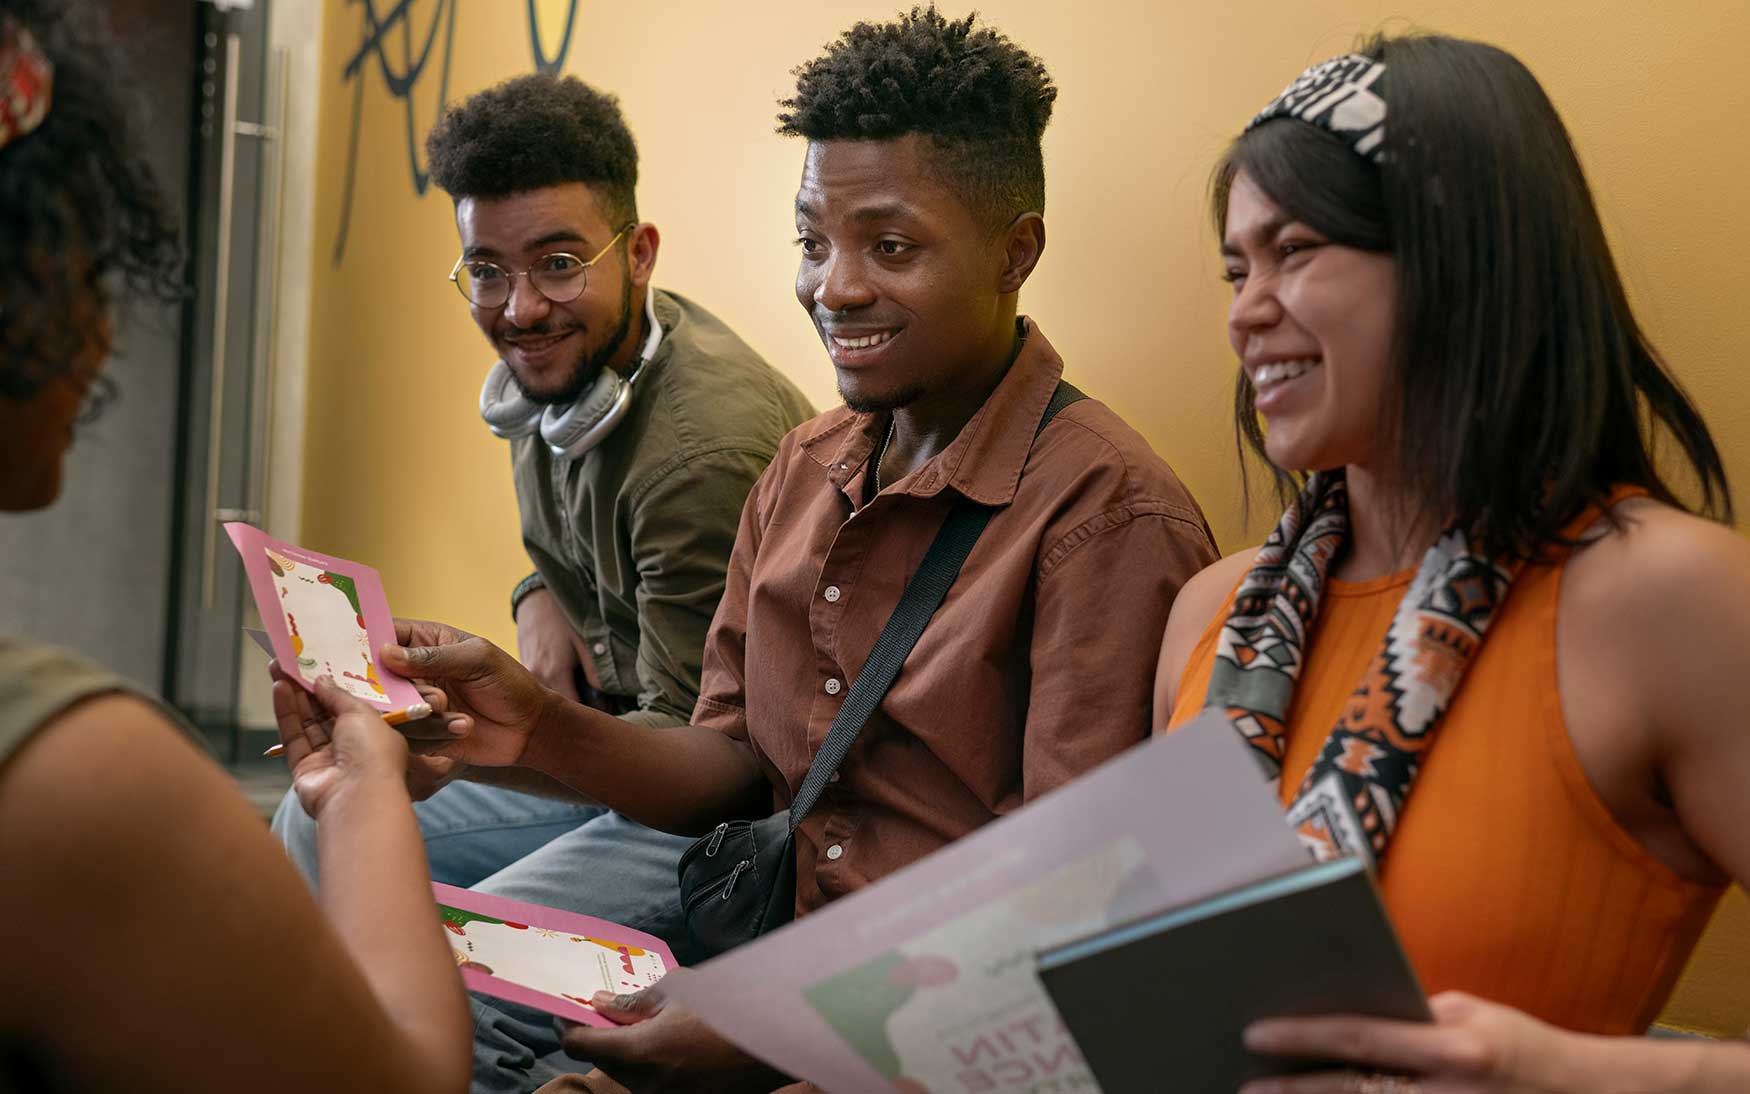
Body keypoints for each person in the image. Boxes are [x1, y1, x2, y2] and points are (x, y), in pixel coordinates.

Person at [379, 7, 1218, 1091]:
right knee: (434, 988)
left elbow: (1071, 917)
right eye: (813, 242)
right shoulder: (803, 468)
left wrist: (757, 1038)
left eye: (892, 246)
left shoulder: (1105, 520)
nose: (835, 286)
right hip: (759, 946)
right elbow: (731, 770)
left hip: (927, 1039)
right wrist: (534, 725)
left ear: (1016, 252)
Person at [1154, 34, 1750, 1093]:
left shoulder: (1671, 600)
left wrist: (1569, 1072)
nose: (1244, 310)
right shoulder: (1213, 607)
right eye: (1236, 266)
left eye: (1293, 249)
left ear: (1457, 258)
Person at [0, 3, 469, 1090]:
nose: (105, 329)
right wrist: (364, 796)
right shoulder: (74, 781)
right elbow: (408, 1075)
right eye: (87, 270)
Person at [271, 74, 814, 966]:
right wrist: (538, 592)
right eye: (486, 270)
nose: (520, 310)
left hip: (725, 815)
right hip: (612, 748)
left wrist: (463, 740)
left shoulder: (698, 458)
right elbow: (588, 542)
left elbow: (703, 767)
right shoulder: (561, 376)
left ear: (637, 253)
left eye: (560, 264)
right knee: (319, 808)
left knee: (459, 966)